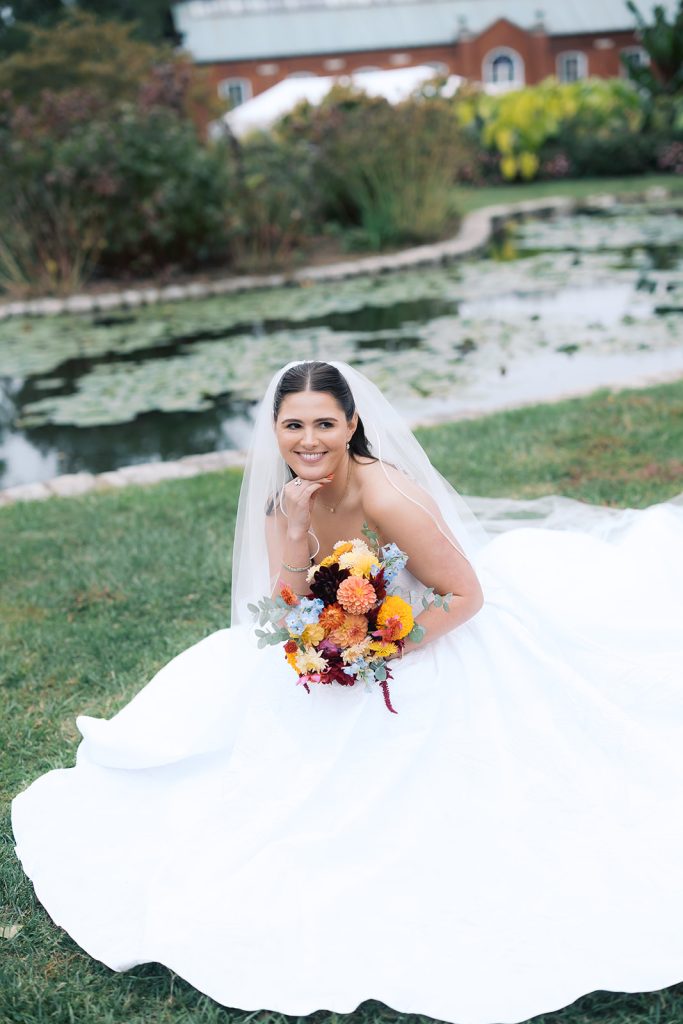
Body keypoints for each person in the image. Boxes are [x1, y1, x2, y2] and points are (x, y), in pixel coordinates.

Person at [11, 360, 683, 1024]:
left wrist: (383, 645)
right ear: (273, 429)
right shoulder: (286, 498)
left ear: (352, 423)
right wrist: (302, 549)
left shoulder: (383, 492)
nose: (309, 440)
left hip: (432, 633)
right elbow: (285, 601)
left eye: (325, 423)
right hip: (347, 644)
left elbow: (465, 595)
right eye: (293, 424)